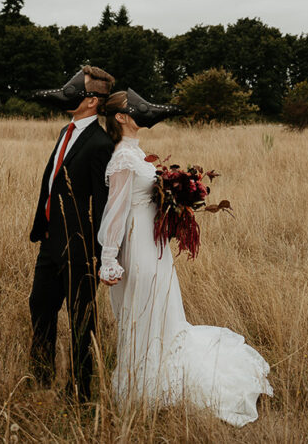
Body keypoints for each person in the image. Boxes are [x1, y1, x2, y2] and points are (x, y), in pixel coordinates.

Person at [97, 89, 273, 426]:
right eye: (135, 108)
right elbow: (115, 211)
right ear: (120, 117)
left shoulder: (136, 154)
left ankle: (157, 378)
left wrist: (179, 195)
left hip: (154, 243)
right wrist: (109, 258)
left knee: (162, 313)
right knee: (143, 312)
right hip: (137, 248)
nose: (143, 111)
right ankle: (143, 385)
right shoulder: (121, 158)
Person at [28, 66, 116, 402]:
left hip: (80, 246)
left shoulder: (99, 144)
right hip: (50, 239)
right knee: (40, 305)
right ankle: (40, 377)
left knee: (81, 319)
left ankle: (79, 391)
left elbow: (104, 203)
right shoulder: (67, 130)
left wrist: (96, 251)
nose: (67, 93)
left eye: (75, 89)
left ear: (92, 101)